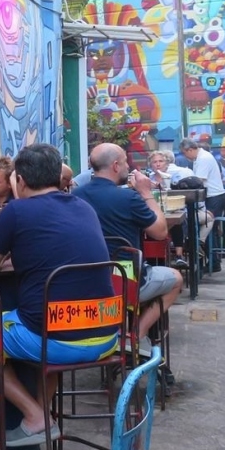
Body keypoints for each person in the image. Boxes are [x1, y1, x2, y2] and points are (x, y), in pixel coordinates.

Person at [0, 143, 119, 446]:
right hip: (107, 335)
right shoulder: (83, 207)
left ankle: (35, 415)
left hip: (58, 341)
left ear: (20, 181)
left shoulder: (16, 211)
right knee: (47, 321)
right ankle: (43, 413)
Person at [72, 143, 184, 346]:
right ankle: (137, 334)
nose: (128, 167)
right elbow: (160, 232)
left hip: (85, 279)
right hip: (125, 280)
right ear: (115, 166)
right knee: (176, 278)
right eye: (125, 162)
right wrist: (146, 193)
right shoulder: (129, 198)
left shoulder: (75, 196)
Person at [180, 138, 225, 220]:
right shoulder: (199, 157)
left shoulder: (203, 158)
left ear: (190, 150)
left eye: (184, 153)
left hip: (213, 197)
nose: (184, 156)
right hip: (210, 196)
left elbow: (198, 181)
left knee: (210, 223)